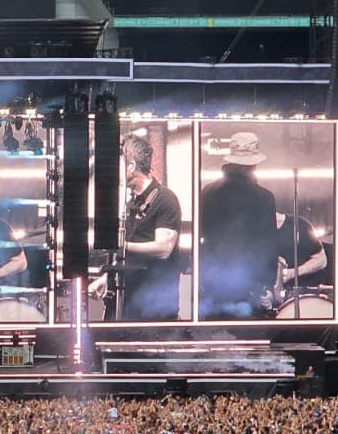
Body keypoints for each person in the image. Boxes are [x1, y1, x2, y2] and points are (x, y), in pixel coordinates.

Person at [198, 131, 278, 319]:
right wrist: (266, 286)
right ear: (254, 164)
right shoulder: (264, 198)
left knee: (214, 339)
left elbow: (202, 233)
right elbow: (268, 246)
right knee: (248, 342)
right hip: (249, 285)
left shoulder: (208, 192)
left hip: (213, 282)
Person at [102, 134, 182, 321]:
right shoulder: (131, 203)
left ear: (130, 167)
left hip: (153, 307)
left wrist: (123, 245)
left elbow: (164, 248)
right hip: (129, 303)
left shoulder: (165, 199)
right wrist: (105, 279)